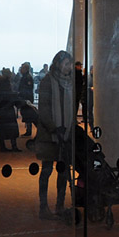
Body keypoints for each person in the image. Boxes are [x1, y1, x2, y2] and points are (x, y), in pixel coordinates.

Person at [34, 50, 76, 220]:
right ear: (58, 64)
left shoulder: (71, 83)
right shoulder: (47, 81)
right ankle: (43, 207)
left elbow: (73, 108)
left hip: (65, 134)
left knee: (63, 171)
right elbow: (43, 109)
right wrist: (53, 127)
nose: (69, 67)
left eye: (70, 64)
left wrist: (69, 129)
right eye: (66, 64)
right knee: (47, 170)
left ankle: (60, 205)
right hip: (49, 135)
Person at [0, 69, 20, 152]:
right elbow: (8, 95)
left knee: (1, 128)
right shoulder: (6, 82)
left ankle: (2, 147)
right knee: (12, 127)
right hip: (7, 108)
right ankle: (14, 146)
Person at [16, 63, 35, 136]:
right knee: (26, 115)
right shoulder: (25, 77)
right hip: (26, 99)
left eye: (22, 68)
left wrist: (23, 96)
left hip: (27, 99)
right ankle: (28, 130)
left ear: (25, 69)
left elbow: (27, 89)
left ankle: (29, 131)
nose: (20, 69)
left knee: (28, 115)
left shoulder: (27, 77)